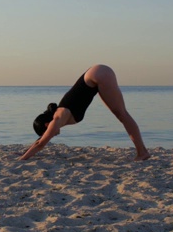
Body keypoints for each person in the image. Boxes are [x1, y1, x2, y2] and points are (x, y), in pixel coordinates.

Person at [20, 64, 150, 161]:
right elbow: (41, 140)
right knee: (121, 114)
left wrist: (23, 158)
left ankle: (142, 153)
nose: (51, 136)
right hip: (95, 77)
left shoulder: (57, 119)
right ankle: (142, 151)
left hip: (97, 75)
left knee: (122, 114)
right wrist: (27, 150)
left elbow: (41, 143)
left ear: (46, 126)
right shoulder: (59, 118)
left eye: (47, 133)